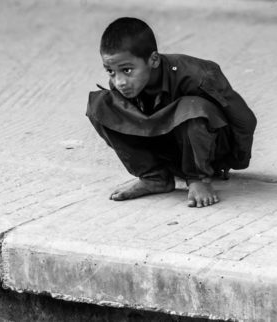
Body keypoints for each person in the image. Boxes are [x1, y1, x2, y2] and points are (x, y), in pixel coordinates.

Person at [86, 17, 257, 208]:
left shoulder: (198, 75)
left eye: (127, 70)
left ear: (153, 60)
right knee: (101, 105)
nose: (119, 82)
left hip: (209, 151)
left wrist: (232, 160)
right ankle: (155, 177)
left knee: (191, 106)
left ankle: (198, 179)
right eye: (110, 72)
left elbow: (244, 120)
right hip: (170, 152)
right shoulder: (123, 84)